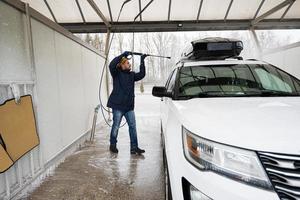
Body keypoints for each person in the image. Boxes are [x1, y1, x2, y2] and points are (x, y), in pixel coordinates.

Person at [107, 51, 147, 154]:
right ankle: (112, 145)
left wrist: (142, 61)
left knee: (132, 126)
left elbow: (142, 74)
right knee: (116, 126)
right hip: (118, 106)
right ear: (122, 64)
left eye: (129, 63)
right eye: (127, 63)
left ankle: (134, 147)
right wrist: (122, 55)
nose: (130, 65)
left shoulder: (132, 75)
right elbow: (111, 64)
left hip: (129, 107)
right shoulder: (116, 73)